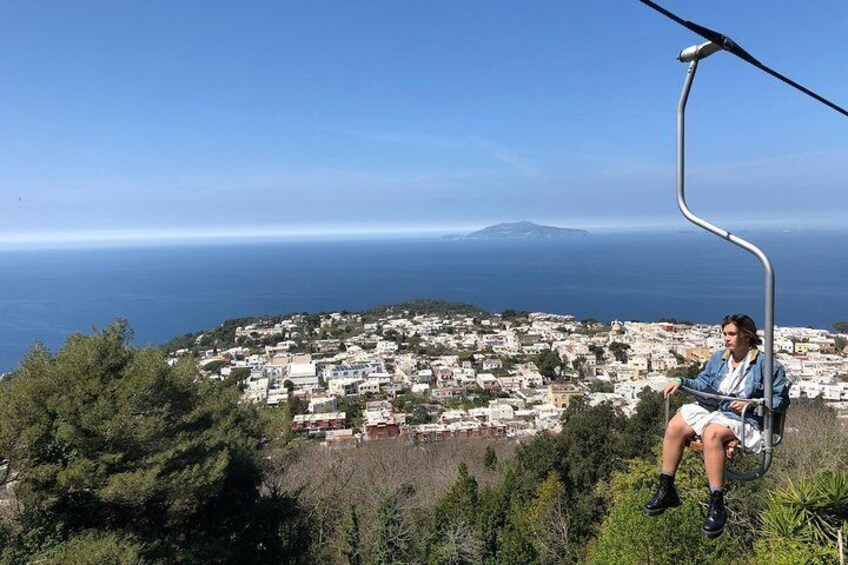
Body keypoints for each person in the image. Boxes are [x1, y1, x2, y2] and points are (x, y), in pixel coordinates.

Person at [644, 314, 790, 539]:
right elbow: (704, 384)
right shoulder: (718, 359)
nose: (726, 339)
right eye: (724, 334)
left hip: (745, 419)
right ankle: (666, 488)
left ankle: (716, 504)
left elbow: (780, 400)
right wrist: (681, 382)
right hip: (716, 409)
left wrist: (751, 404)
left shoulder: (767, 365)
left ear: (747, 335)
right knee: (674, 426)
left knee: (712, 432)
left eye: (731, 334)